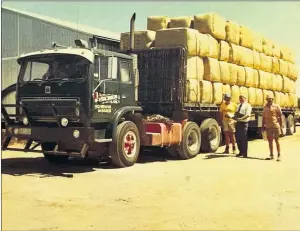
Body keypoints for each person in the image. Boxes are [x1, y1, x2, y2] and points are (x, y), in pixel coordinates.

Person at [262, 95, 283, 161]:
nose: (269, 100)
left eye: (271, 99)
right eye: (268, 99)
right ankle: (271, 155)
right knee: (270, 141)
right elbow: (263, 118)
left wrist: (281, 127)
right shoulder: (265, 107)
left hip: (275, 126)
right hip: (268, 127)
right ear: (266, 100)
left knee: (277, 141)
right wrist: (263, 126)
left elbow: (280, 117)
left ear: (273, 100)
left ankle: (279, 155)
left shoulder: (276, 107)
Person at [234, 94, 252, 158]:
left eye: (242, 98)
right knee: (238, 138)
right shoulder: (238, 105)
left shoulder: (248, 105)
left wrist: (241, 119)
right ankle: (241, 152)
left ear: (245, 98)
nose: (241, 99)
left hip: (244, 123)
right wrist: (232, 117)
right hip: (238, 123)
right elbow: (236, 114)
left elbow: (247, 115)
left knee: (244, 138)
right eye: (240, 98)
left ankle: (245, 153)